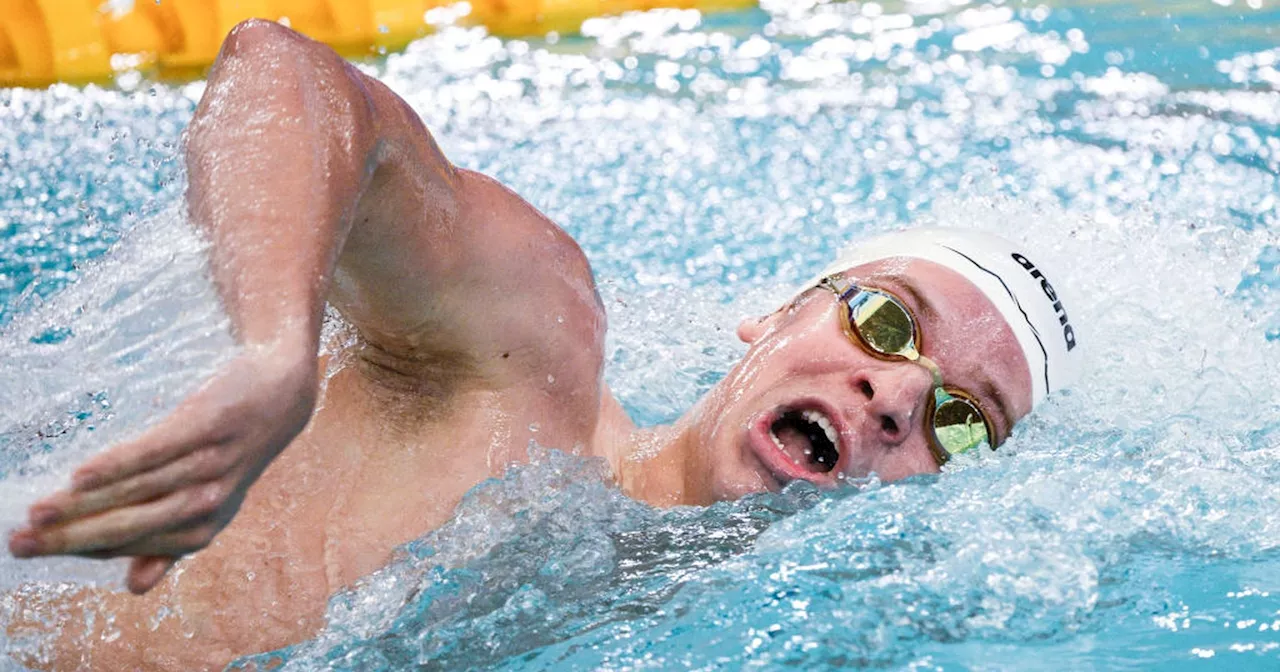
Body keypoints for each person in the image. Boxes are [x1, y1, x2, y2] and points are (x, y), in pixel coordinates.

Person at [4, 19, 1081, 670]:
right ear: (772, 314)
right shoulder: (523, 357)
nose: (895, 395)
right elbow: (284, 75)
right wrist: (273, 349)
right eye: (884, 320)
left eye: (958, 420)